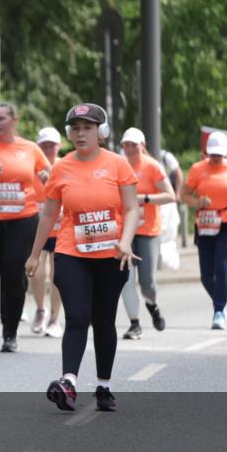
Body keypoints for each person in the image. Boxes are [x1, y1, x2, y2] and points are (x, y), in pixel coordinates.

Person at [25, 103, 139, 413]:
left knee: (103, 320)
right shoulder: (62, 167)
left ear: (101, 133)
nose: (81, 133)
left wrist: (126, 242)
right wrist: (35, 254)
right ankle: (69, 383)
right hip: (71, 252)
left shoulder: (118, 165)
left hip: (111, 255)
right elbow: (49, 212)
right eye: (75, 128)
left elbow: (131, 208)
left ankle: (104, 386)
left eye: (88, 127)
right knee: (77, 315)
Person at [0, 103, 51, 352]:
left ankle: (10, 332)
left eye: (2, 118)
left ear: (14, 120)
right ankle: (11, 308)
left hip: (23, 219)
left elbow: (53, 177)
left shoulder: (30, 148)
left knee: (14, 272)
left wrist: (47, 179)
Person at [181, 131, 227, 330]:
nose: (216, 158)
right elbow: (184, 194)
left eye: (220, 154)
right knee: (206, 275)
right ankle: (221, 300)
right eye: (213, 154)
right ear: (206, 152)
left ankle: (219, 310)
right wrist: (197, 202)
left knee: (222, 268)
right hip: (205, 223)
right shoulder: (197, 169)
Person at [118, 127, 175, 340]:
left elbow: (171, 195)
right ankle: (135, 324)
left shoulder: (152, 166)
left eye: (134, 145)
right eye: (126, 145)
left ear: (142, 146)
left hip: (148, 231)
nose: (130, 149)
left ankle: (152, 305)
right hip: (125, 232)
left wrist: (146, 198)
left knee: (147, 281)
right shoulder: (118, 166)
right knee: (125, 278)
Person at [29, 127, 64, 338]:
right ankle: (40, 310)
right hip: (39, 228)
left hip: (61, 229)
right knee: (38, 272)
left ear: (59, 146)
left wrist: (50, 180)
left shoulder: (65, 166)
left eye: (52, 145)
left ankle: (54, 318)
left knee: (57, 274)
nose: (48, 149)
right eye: (44, 145)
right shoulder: (30, 167)